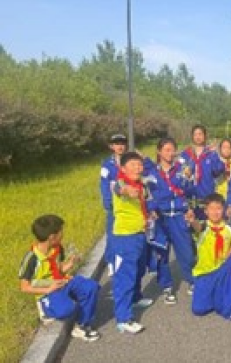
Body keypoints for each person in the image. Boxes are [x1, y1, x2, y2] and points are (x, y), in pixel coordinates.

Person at [19, 214, 101, 341]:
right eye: (61, 232)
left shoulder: (57, 248)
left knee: (91, 287)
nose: (63, 234)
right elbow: (25, 286)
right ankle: (46, 311)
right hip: (47, 292)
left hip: (62, 282)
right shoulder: (32, 258)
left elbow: (58, 270)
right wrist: (48, 288)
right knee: (66, 309)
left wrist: (70, 264)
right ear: (52, 237)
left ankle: (82, 326)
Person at [144, 138, 195, 303]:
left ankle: (191, 281)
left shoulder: (181, 169)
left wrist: (188, 179)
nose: (170, 153)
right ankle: (167, 288)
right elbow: (146, 195)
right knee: (162, 254)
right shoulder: (150, 172)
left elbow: (189, 191)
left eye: (173, 149)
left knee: (187, 253)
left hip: (179, 216)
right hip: (161, 218)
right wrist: (151, 209)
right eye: (166, 150)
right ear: (159, 152)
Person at [111, 151, 154, 334]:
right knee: (125, 277)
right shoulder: (120, 182)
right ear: (123, 168)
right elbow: (118, 189)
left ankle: (136, 297)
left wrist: (150, 215)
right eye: (133, 165)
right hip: (125, 237)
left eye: (139, 164)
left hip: (139, 234)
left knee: (138, 270)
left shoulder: (141, 184)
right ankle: (124, 319)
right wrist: (126, 190)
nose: (138, 168)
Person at [186, 194, 231, 320]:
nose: (215, 212)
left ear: (224, 209)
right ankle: (213, 295)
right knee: (199, 309)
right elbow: (197, 228)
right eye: (211, 209)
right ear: (206, 211)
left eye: (218, 208)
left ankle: (225, 294)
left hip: (222, 272)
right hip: (204, 273)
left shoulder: (229, 227)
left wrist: (229, 256)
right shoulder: (204, 226)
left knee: (223, 306)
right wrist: (192, 221)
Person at [179, 125, 226, 220]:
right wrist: (185, 173)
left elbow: (218, 170)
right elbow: (179, 174)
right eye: (195, 134)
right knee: (191, 225)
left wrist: (214, 155)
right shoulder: (186, 154)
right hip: (189, 200)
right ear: (192, 136)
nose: (198, 137)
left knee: (206, 226)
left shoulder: (211, 154)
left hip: (206, 199)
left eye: (200, 134)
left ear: (205, 136)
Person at [99, 134, 127, 272]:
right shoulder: (107, 165)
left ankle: (124, 258)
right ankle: (111, 261)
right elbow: (104, 184)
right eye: (116, 144)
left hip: (128, 204)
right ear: (111, 146)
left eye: (122, 143)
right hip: (114, 205)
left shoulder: (130, 160)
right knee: (112, 233)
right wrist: (108, 201)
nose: (120, 146)